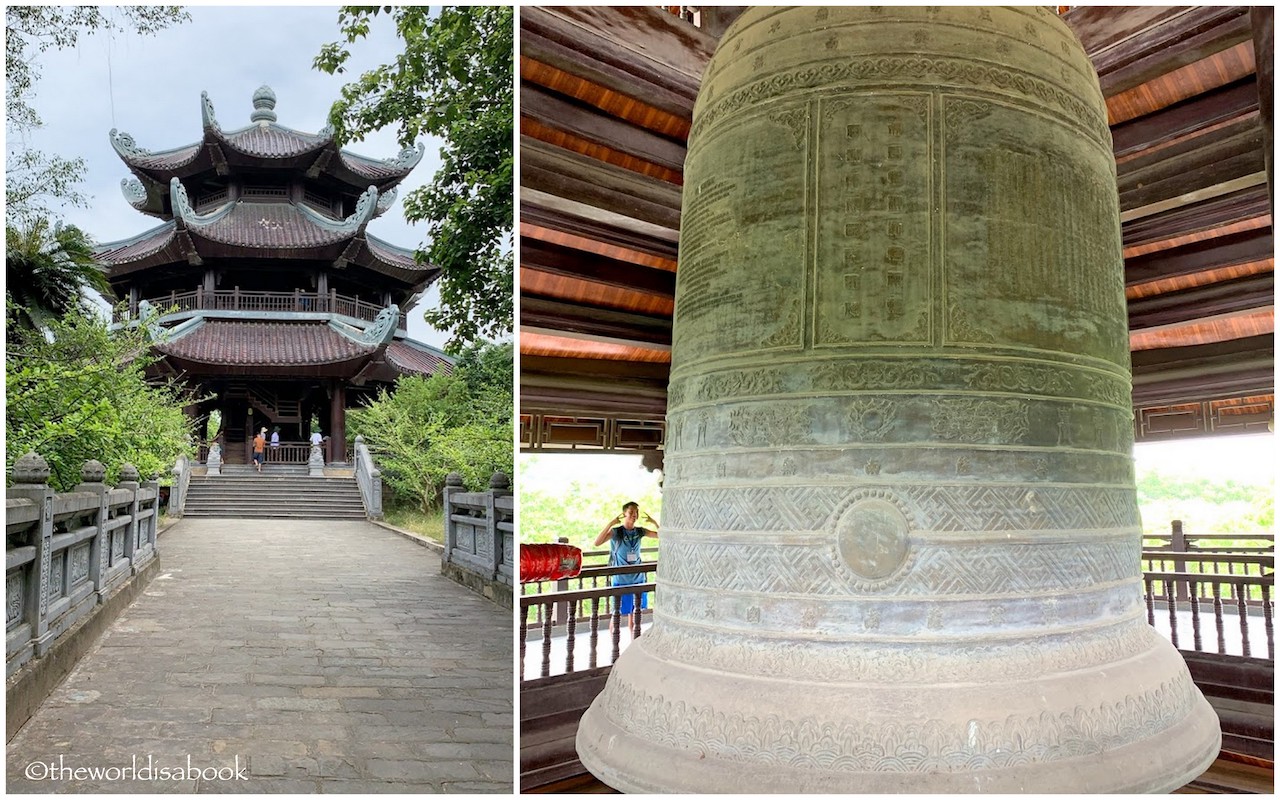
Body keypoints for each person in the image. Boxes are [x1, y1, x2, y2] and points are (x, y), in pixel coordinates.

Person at [594, 502, 659, 633]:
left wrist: (654, 522)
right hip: (621, 579)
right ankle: (614, 648)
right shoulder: (616, 532)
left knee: (635, 615)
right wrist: (611, 524)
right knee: (616, 614)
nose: (634, 516)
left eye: (636, 513)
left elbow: (661, 535)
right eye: (631, 513)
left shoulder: (640, 531)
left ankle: (632, 642)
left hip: (638, 578)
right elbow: (597, 542)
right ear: (624, 514)